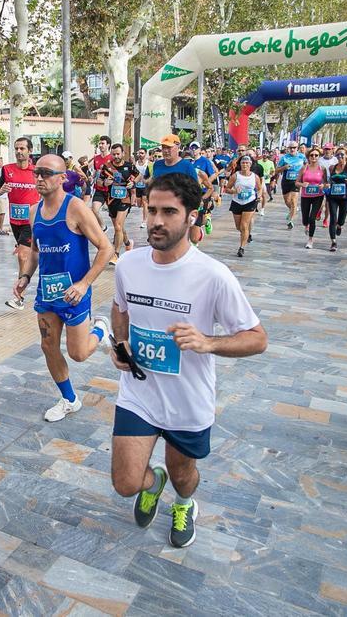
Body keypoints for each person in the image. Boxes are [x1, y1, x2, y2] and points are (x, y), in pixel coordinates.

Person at [107, 173, 267, 548]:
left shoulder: (212, 276)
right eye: (151, 210)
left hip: (187, 402)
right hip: (139, 392)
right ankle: (153, 482)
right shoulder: (129, 264)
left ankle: (183, 502)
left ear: (192, 216)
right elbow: (120, 308)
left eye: (169, 212)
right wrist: (121, 342)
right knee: (126, 482)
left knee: (184, 475)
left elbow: (258, 339)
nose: (157, 221)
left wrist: (207, 342)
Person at [11, 155, 114, 422]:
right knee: (48, 346)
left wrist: (84, 283)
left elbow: (107, 248)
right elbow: (35, 251)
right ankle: (69, 399)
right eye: (37, 173)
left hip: (74, 293)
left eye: (47, 173)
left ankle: (100, 329)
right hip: (47, 294)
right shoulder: (34, 211)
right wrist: (25, 277)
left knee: (79, 354)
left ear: (62, 178)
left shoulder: (76, 208)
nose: (40, 178)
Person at [0, 137, 40, 310]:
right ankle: (28, 277)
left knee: (22, 255)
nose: (19, 152)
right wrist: (1, 190)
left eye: (22, 149)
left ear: (29, 151)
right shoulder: (7, 170)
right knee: (24, 256)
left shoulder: (37, 171)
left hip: (31, 220)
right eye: (16, 148)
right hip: (15, 221)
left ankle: (20, 296)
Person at [149, 134, 211, 244]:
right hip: (161, 207)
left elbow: (195, 188)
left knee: (188, 239)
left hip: (181, 207)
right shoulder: (157, 165)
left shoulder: (187, 166)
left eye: (169, 147)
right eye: (164, 147)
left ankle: (203, 223)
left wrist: (196, 205)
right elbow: (154, 183)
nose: (166, 151)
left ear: (178, 147)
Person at [105, 143, 136, 263]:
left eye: (118, 154)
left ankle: (116, 254)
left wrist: (132, 183)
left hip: (125, 199)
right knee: (119, 227)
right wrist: (104, 182)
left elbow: (138, 176)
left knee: (118, 226)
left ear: (123, 153)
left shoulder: (130, 166)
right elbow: (99, 180)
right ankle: (128, 243)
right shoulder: (107, 167)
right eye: (114, 154)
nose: (116, 156)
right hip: (112, 200)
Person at [227, 155, 263, 258]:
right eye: (243, 163)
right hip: (237, 202)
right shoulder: (235, 176)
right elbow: (227, 189)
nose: (245, 165)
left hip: (250, 202)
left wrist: (259, 196)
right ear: (240, 164)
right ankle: (246, 234)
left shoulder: (254, 177)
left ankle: (241, 247)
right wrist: (234, 191)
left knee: (244, 225)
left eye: (247, 163)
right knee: (239, 227)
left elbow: (259, 188)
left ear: (250, 165)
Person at [295, 149, 328, 250]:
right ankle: (306, 225)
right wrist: (302, 184)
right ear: (308, 157)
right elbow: (296, 182)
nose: (314, 157)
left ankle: (310, 239)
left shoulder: (322, 168)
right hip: (306, 196)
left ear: (319, 157)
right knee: (305, 219)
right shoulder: (304, 168)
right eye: (312, 155)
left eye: (316, 155)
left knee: (312, 217)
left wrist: (323, 185)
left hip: (318, 196)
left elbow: (326, 183)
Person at [325, 156, 347, 253]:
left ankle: (340, 225)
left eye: (342, 156)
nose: (340, 158)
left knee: (341, 219)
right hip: (333, 196)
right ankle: (333, 242)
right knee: (333, 218)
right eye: (338, 156)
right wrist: (327, 184)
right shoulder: (332, 167)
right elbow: (329, 180)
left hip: (345, 196)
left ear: (346, 157)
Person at [277, 142, 305, 230]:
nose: (292, 149)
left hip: (296, 181)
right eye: (291, 148)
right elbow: (276, 170)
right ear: (288, 148)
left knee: (293, 200)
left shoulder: (302, 157)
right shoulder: (284, 158)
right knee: (287, 201)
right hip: (286, 181)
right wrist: (284, 168)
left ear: (297, 148)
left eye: (294, 147)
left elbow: (307, 166)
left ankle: (290, 221)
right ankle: (293, 209)